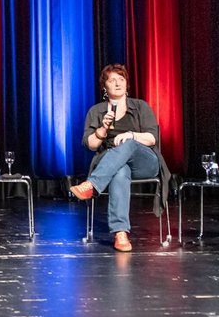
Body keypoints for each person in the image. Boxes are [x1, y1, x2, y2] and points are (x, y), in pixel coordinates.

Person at [69, 64, 170, 252]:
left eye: (121, 80)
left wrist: (132, 135)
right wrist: (103, 129)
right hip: (112, 163)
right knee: (120, 171)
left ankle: (92, 185)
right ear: (104, 87)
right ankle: (121, 233)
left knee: (129, 144)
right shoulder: (97, 111)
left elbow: (152, 138)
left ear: (127, 84)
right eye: (112, 80)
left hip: (145, 161)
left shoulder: (140, 106)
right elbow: (90, 144)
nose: (117, 84)